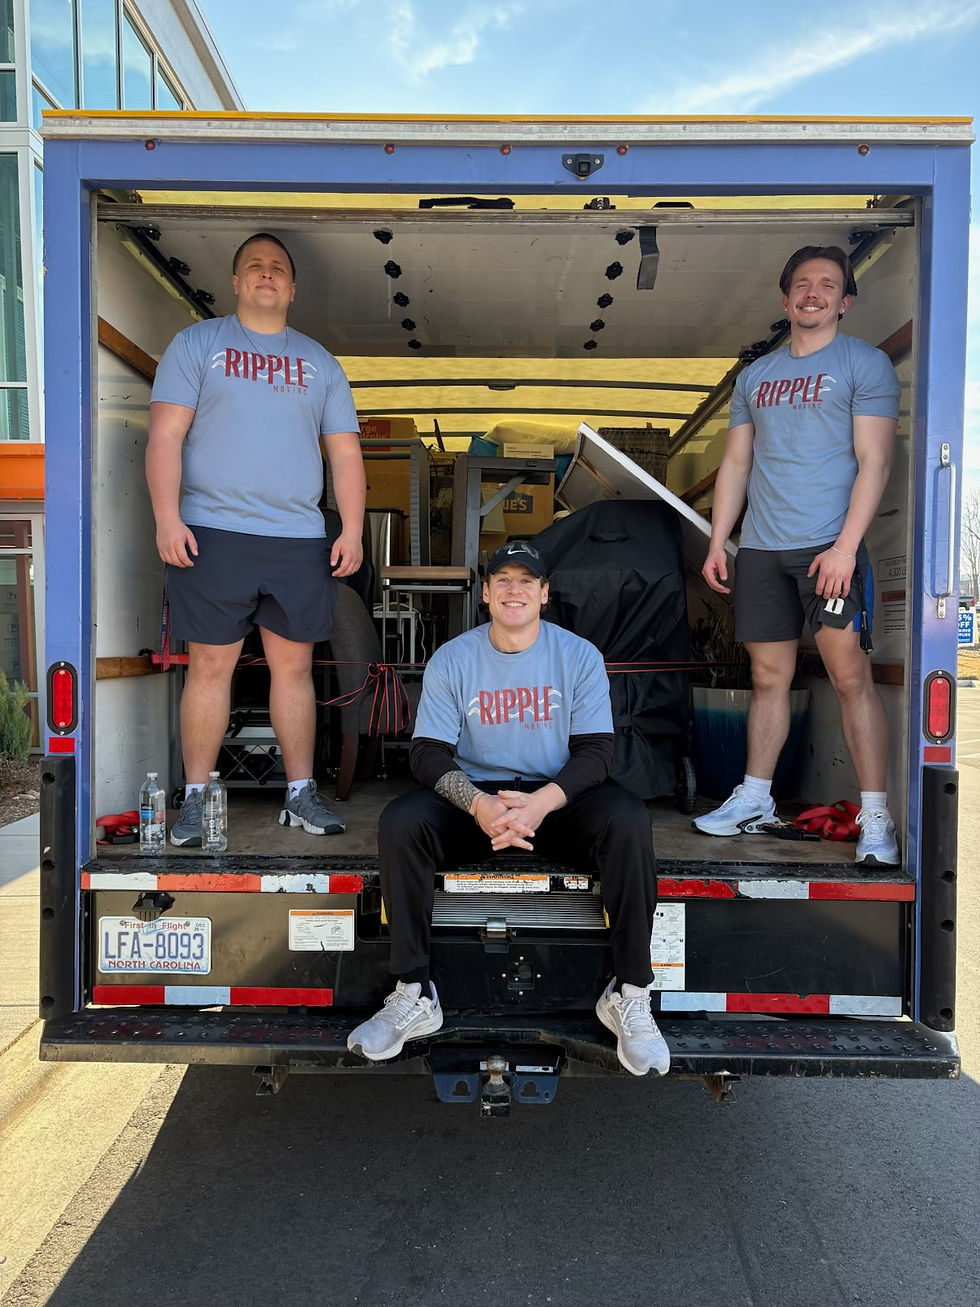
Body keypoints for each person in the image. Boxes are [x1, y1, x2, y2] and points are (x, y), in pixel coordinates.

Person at [347, 540, 669, 1077]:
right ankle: (413, 993)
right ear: (486, 594)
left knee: (629, 820)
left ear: (544, 593)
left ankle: (630, 994)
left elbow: (597, 752)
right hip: (478, 801)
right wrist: (477, 804)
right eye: (503, 580)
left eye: (526, 581)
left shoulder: (579, 656)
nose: (514, 590)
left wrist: (541, 804)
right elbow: (427, 752)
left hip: (554, 800)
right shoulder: (454, 658)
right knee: (402, 822)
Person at [146, 232, 365, 845]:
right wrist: (166, 518)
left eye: (277, 268)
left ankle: (300, 795)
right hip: (213, 533)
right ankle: (196, 799)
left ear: (292, 289)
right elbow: (164, 436)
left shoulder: (321, 363)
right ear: (236, 282)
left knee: (293, 670)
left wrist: (351, 529)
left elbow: (346, 454)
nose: (266, 274)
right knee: (209, 667)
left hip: (297, 537)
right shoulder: (197, 344)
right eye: (254, 266)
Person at [695, 245, 901, 866]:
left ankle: (875, 817)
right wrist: (718, 541)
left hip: (827, 550)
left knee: (848, 677)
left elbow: (875, 462)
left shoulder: (864, 364)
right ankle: (755, 797)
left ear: (845, 301)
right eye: (803, 285)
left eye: (827, 285)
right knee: (767, 678)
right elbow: (736, 464)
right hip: (761, 549)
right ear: (785, 301)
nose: (814, 293)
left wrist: (845, 548)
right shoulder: (755, 376)